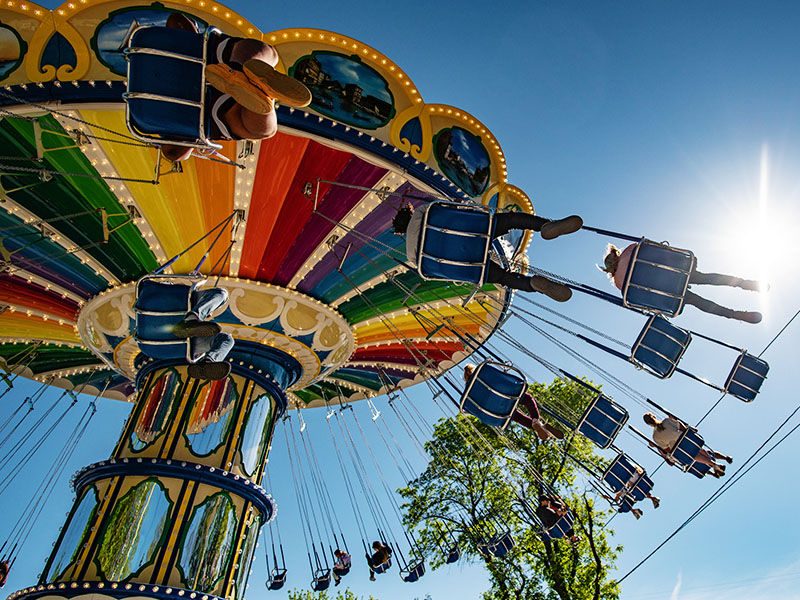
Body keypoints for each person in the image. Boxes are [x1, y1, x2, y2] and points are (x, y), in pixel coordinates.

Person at [158, 13, 312, 161]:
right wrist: (192, 35)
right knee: (266, 52)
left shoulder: (147, 110)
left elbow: (173, 153)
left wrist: (183, 149)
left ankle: (263, 95)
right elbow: (176, 19)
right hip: (213, 60)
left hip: (205, 113)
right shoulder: (155, 50)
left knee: (263, 130)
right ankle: (246, 76)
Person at [392, 203, 582, 301]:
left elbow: (435, 272)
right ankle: (545, 226)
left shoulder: (412, 257)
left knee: (504, 279)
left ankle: (533, 284)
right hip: (474, 229)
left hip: (470, 266)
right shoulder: (421, 212)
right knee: (511, 220)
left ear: (401, 231)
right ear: (408, 214)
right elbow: (449, 208)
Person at [601, 243, 763, 324]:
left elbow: (644, 299)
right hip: (676, 272)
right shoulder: (630, 249)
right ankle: (743, 283)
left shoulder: (619, 283)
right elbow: (657, 249)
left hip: (670, 294)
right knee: (708, 278)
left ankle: (734, 314)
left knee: (698, 302)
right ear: (616, 253)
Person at [463, 364, 563, 440]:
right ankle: (536, 420)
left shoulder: (470, 392)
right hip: (507, 393)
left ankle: (538, 426)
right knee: (527, 399)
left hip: (497, 411)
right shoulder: (483, 371)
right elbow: (500, 378)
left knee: (514, 415)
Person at [642, 412, 732, 478]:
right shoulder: (666, 421)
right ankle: (715, 465)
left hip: (682, 450)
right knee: (699, 449)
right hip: (690, 440)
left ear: (648, 424)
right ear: (654, 416)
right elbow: (682, 426)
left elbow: (667, 450)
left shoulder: (655, 437)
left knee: (692, 455)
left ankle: (714, 465)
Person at [172, 285, 234, 380]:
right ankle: (208, 361)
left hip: (149, 341)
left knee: (221, 293)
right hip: (182, 345)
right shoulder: (187, 296)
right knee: (226, 339)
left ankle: (207, 363)